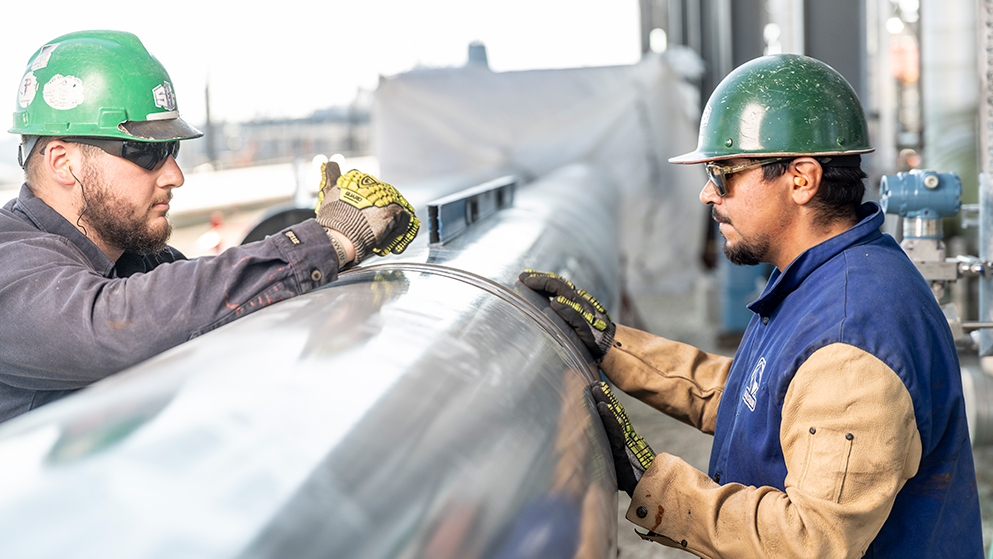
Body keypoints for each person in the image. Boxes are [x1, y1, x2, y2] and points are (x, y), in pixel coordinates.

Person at [521, 53, 983, 558]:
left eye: (722, 173)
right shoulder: (823, 276)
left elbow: (807, 539)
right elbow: (764, 400)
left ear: (800, 179)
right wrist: (614, 347)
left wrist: (651, 482)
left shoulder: (853, 337)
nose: (705, 193)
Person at [0, 30, 419, 423]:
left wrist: (319, 263)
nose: (174, 175)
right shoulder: (9, 260)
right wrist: (326, 242)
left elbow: (207, 302)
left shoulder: (133, 260)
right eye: (147, 151)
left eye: (173, 149)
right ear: (61, 162)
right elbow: (110, 326)